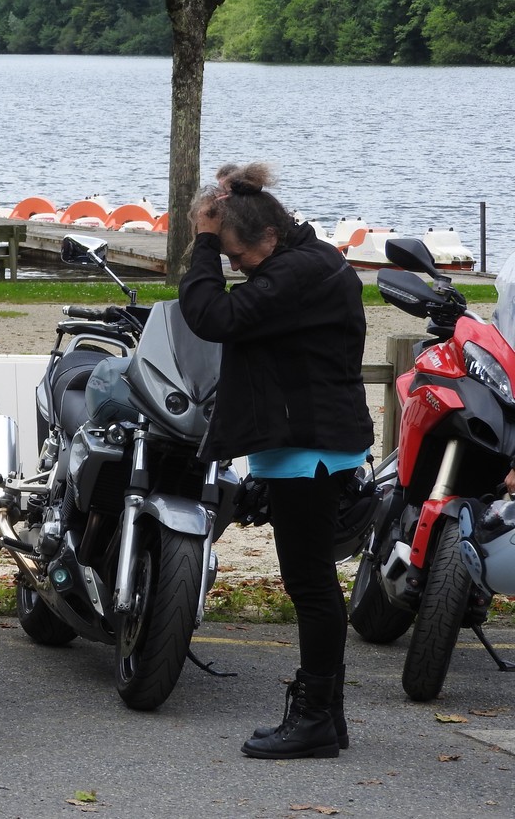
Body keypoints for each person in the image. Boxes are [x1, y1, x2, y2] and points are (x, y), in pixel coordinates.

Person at [177, 163, 373, 761]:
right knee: (310, 581)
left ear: (265, 236)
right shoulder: (303, 262)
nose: (234, 268)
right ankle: (326, 717)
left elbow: (214, 316)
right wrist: (215, 238)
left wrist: (205, 242)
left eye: (236, 256)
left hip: (309, 448)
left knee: (311, 585)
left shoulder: (301, 272)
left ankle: (315, 718)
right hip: (306, 441)